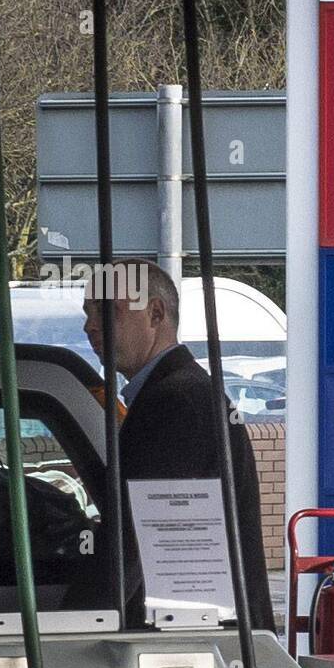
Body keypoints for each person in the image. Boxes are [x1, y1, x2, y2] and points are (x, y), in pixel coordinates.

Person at [75, 258, 275, 631]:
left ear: (155, 314)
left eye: (107, 310)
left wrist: (72, 625)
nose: (90, 325)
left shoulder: (174, 401)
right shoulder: (184, 391)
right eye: (87, 312)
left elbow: (133, 540)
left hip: (192, 644)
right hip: (204, 635)